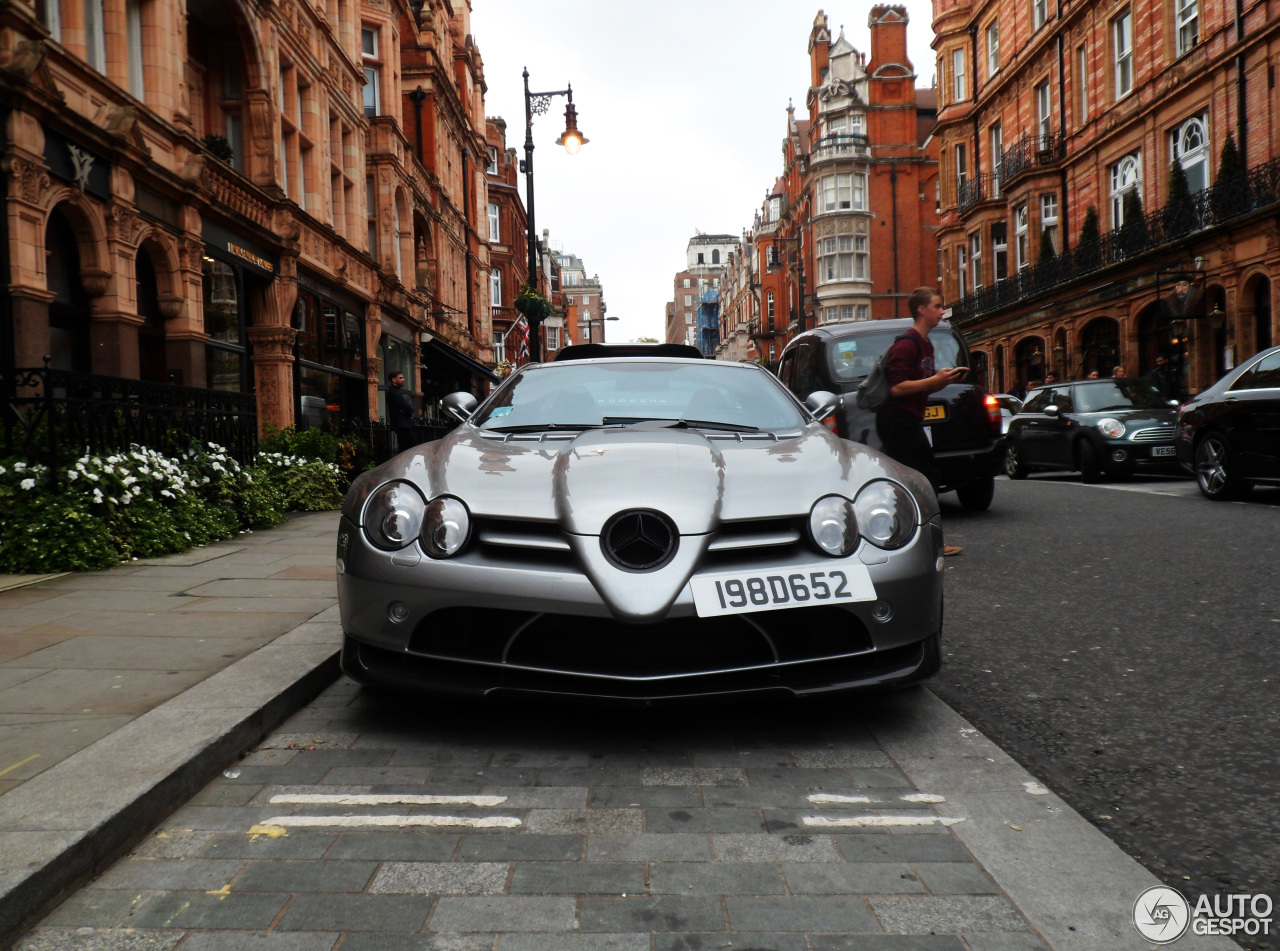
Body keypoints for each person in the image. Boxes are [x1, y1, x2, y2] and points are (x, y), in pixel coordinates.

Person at [876, 287, 968, 557]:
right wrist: (934, 381)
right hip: (896, 420)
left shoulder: (926, 344)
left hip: (907, 419)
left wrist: (941, 380)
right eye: (937, 306)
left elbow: (918, 387)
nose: (942, 311)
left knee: (907, 480)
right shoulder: (907, 345)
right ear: (921, 310)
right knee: (925, 477)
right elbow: (896, 387)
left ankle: (901, 537)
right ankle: (928, 542)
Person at [385, 370, 416, 451]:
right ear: (394, 380)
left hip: (403, 426)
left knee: (406, 450)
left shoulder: (396, 392)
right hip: (403, 426)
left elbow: (408, 408)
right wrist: (408, 410)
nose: (403, 379)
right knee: (409, 450)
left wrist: (407, 409)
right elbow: (409, 408)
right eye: (401, 378)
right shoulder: (393, 393)